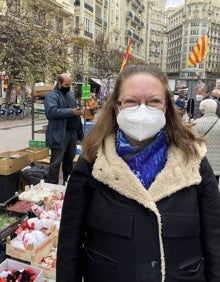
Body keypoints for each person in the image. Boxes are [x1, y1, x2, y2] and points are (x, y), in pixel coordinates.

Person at [56, 64, 220, 282]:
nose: (142, 109)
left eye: (153, 101)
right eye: (131, 101)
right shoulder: (93, 162)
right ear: (117, 108)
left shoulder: (194, 161)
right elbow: (70, 242)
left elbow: (215, 241)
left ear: (166, 108)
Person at [44, 73, 84, 184]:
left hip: (72, 133)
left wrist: (79, 111)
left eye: (70, 84)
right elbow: (51, 112)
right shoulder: (52, 96)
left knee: (69, 162)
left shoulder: (70, 95)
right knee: (56, 163)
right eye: (66, 84)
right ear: (59, 83)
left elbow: (74, 109)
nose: (68, 87)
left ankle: (68, 185)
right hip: (60, 135)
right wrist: (71, 112)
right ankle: (52, 186)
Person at [194, 99, 220, 184]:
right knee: (214, 186)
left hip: (201, 162)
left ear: (202, 109)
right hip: (217, 163)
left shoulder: (196, 123)